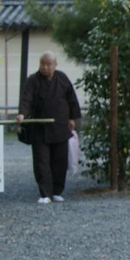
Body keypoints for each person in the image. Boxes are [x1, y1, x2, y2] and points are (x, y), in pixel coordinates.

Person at [18, 52, 81, 204]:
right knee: (41, 161)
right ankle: (45, 193)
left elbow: (71, 99)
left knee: (60, 161)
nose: (45, 67)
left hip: (60, 126)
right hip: (40, 128)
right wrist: (22, 114)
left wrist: (72, 118)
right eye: (42, 64)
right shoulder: (33, 80)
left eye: (49, 64)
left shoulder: (62, 79)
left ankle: (57, 191)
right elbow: (26, 99)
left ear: (55, 65)